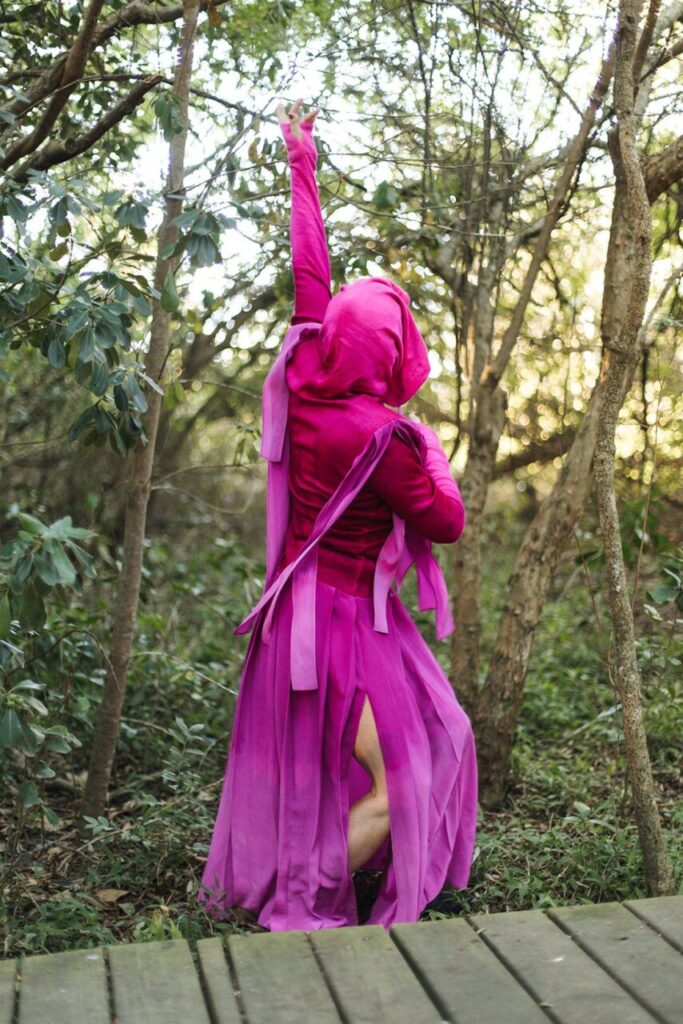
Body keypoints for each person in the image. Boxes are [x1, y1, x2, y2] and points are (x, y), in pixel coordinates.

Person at [197, 98, 479, 931]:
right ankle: (301, 897)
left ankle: (310, 881)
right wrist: (430, 446)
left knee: (399, 752)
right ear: (391, 351)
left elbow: (309, 275)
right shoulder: (385, 438)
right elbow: (447, 521)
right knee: (410, 772)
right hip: (347, 628)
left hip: (299, 620)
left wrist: (302, 160)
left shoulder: (303, 375)